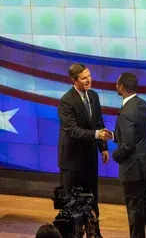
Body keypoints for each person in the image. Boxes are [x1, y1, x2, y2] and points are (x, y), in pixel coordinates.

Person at [57, 63, 112, 238]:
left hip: (89, 158)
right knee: (72, 203)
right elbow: (73, 130)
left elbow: (98, 122)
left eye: (89, 76)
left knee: (91, 199)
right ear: (74, 81)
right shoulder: (66, 101)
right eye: (83, 78)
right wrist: (97, 134)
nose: (88, 80)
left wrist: (103, 147)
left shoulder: (94, 96)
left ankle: (94, 233)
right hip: (72, 160)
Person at [112, 72, 146, 238]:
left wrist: (115, 155)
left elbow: (127, 145)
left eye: (117, 84)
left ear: (122, 87)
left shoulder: (125, 113)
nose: (115, 86)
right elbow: (138, 133)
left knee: (134, 213)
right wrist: (114, 135)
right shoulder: (143, 104)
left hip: (132, 170)